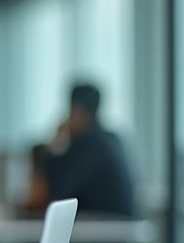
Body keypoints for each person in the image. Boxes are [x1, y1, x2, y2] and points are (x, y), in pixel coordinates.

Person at [41, 83, 135, 217]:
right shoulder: (111, 139)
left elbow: (60, 194)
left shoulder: (89, 147)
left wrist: (55, 145)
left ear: (77, 110)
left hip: (106, 229)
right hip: (115, 226)